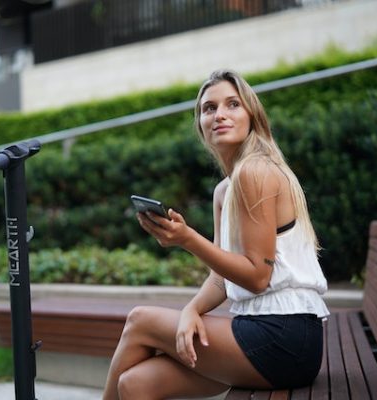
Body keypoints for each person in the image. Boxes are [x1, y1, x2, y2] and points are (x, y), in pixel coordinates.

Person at [102, 69, 329, 400]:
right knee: (135, 384)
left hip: (285, 338)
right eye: (209, 108)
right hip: (261, 335)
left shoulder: (256, 171)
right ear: (201, 125)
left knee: (140, 321)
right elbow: (221, 279)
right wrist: (191, 310)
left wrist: (187, 239)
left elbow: (256, 277)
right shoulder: (225, 189)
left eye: (232, 104)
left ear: (252, 115)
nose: (220, 114)